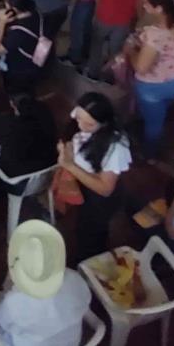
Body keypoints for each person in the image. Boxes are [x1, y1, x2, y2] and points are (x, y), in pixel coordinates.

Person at [0, 220, 91, 346]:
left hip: (19, 341)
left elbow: (2, 322)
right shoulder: (74, 278)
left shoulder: (13, 302)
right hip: (71, 343)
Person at [57, 92, 131, 262]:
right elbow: (71, 135)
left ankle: (91, 263)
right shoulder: (81, 119)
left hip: (100, 198)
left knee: (92, 233)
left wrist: (69, 165)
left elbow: (105, 189)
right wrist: (65, 148)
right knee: (83, 225)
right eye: (78, 119)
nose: (81, 125)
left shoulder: (115, 147)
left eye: (89, 124)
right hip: (85, 188)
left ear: (104, 123)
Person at [127, 0, 174, 155]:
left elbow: (142, 68)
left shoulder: (154, 35)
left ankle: (149, 152)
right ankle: (157, 116)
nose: (144, 7)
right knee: (162, 108)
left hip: (153, 88)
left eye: (147, 5)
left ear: (158, 9)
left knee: (154, 124)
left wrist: (130, 50)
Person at [0, 90, 58, 178]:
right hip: (48, 171)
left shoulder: (2, 123)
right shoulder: (46, 113)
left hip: (17, 180)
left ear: (11, 103)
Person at [0, 0, 47, 93]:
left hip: (20, 70)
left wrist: (1, 23)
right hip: (34, 62)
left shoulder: (18, 33)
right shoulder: (36, 14)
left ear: (13, 10)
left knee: (18, 93)